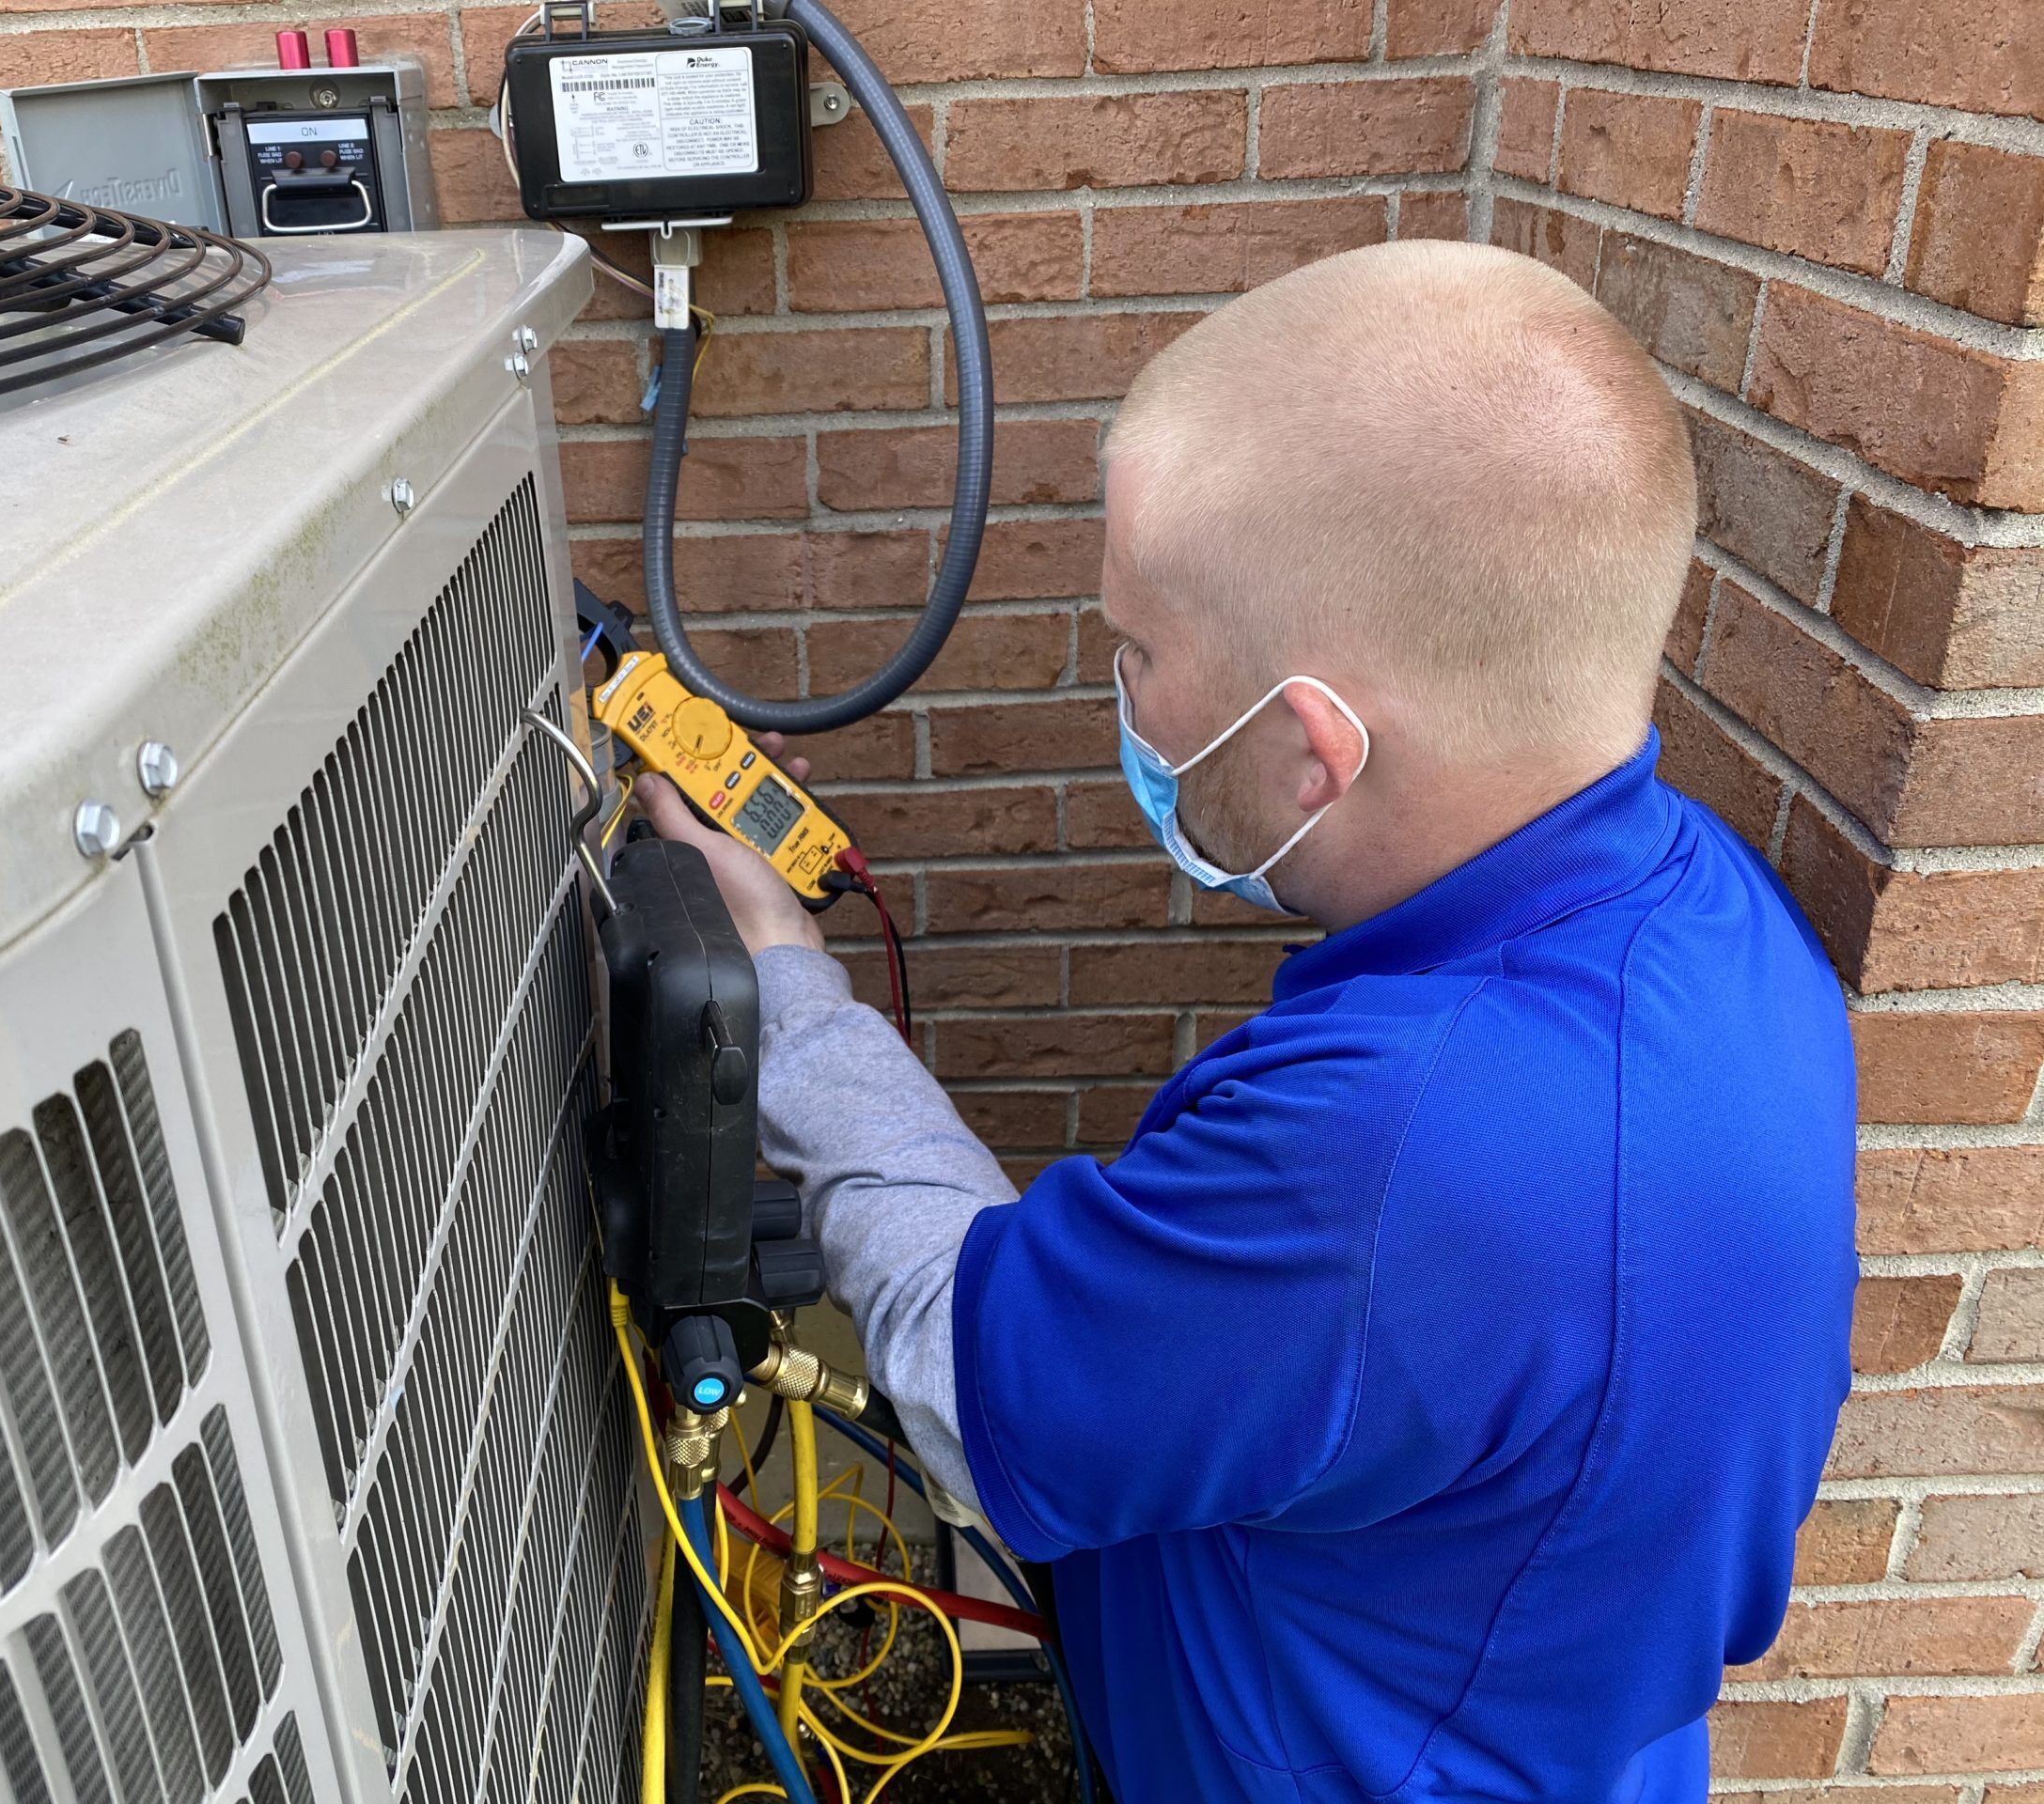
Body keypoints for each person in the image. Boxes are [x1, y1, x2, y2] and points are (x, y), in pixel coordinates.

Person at [632, 239, 1856, 1803]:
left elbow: (971, 1375)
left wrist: (784, 987)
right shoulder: (1721, 925)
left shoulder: (1394, 1152)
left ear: (1309, 749)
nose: (1125, 697)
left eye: (1138, 653)